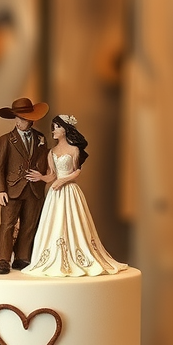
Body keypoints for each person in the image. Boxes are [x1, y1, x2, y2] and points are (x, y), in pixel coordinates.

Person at [22, 115, 127, 278]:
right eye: (53, 127)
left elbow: (77, 172)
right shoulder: (52, 152)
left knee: (74, 222)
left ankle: (78, 253)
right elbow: (52, 175)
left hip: (70, 191)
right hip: (55, 194)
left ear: (65, 129)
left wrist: (63, 180)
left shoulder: (74, 150)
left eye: (57, 127)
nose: (53, 130)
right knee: (55, 223)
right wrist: (41, 177)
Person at [0, 97, 50, 274]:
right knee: (7, 224)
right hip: (12, 189)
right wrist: (0, 189)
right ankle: (2, 260)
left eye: (23, 119)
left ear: (31, 119)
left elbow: (43, 160)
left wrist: (40, 176)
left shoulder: (40, 138)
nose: (19, 122)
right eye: (16, 118)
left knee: (29, 224)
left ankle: (22, 257)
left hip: (34, 189)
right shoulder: (6, 140)